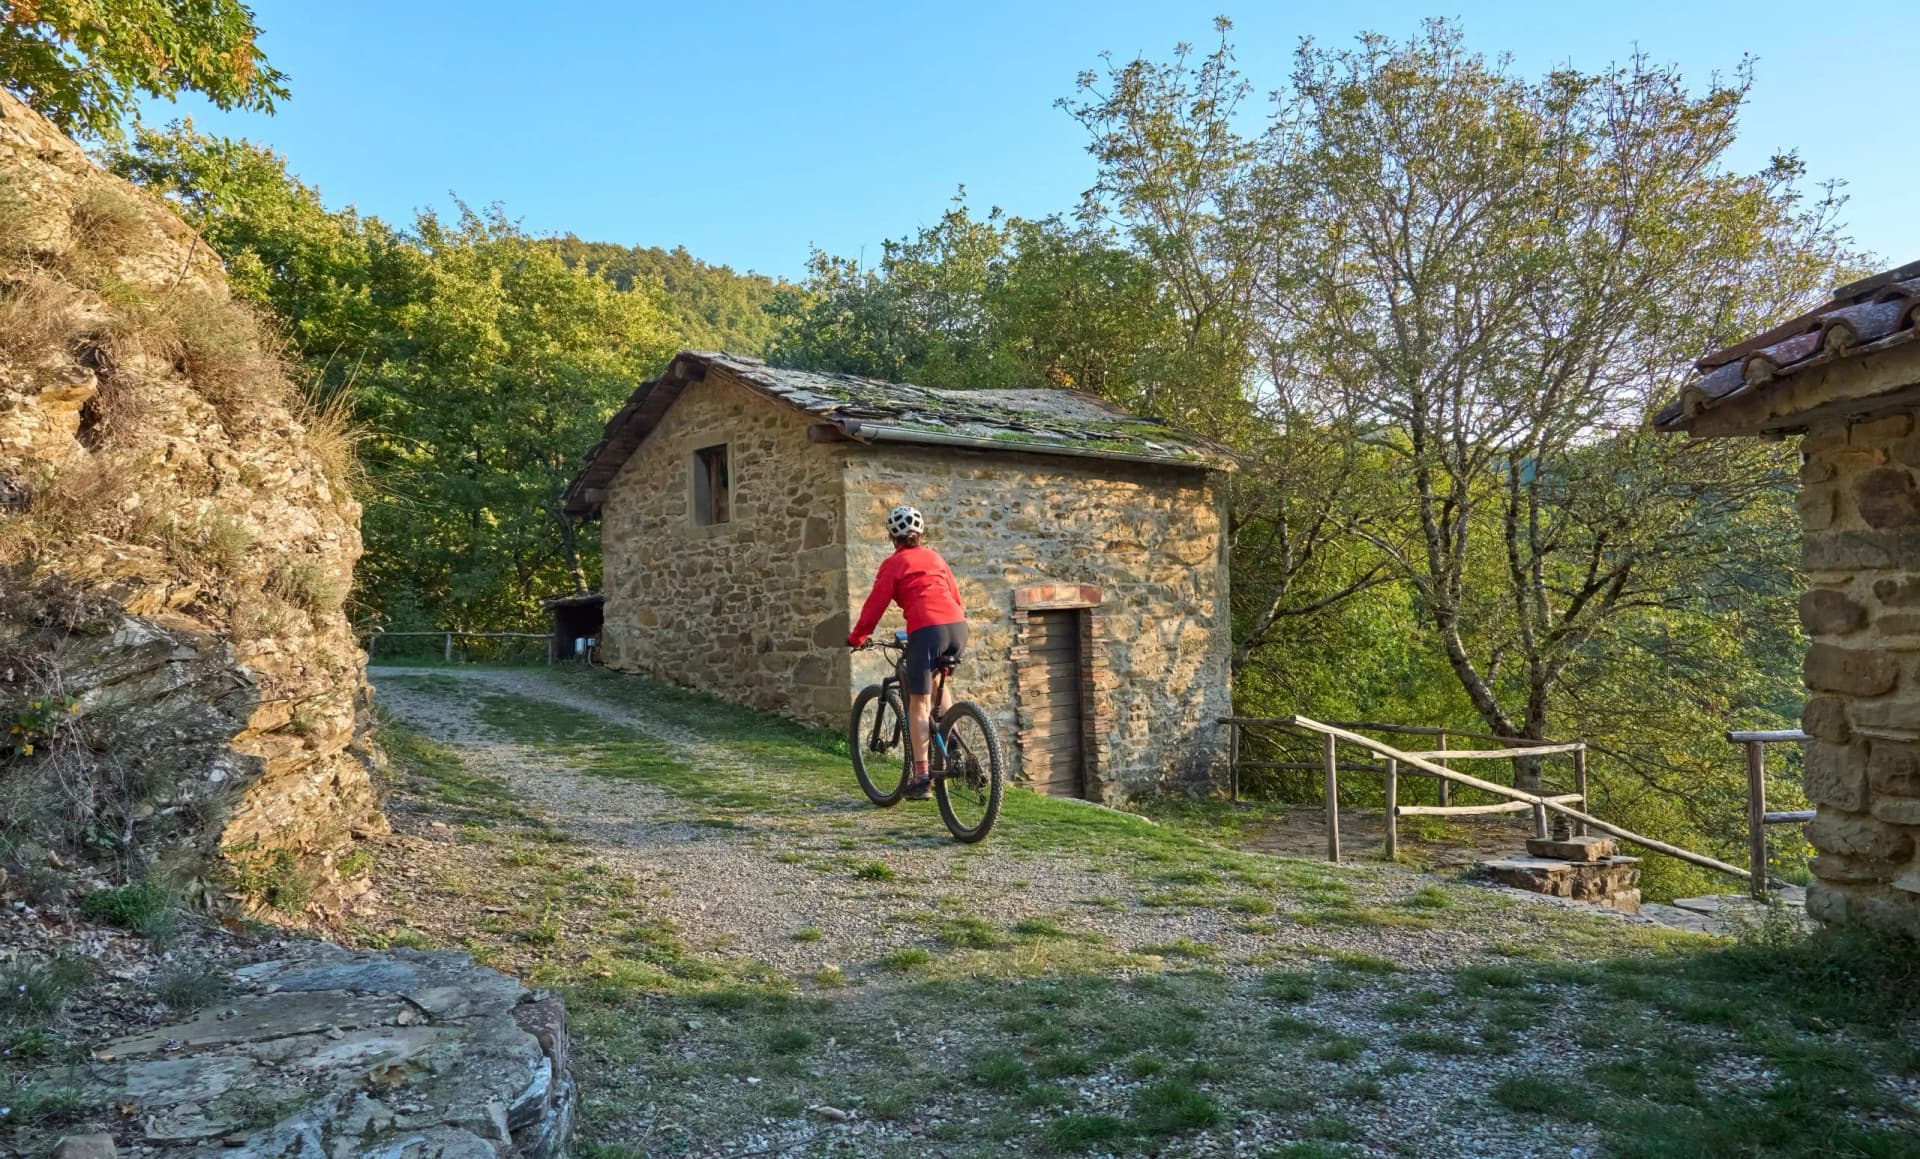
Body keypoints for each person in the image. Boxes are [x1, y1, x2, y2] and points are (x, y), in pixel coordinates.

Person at [847, 504, 968, 799]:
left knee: (919, 703)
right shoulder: (936, 558)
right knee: (939, 680)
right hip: (957, 627)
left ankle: (922, 777)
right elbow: (955, 596)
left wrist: (858, 636)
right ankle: (952, 743)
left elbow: (875, 605)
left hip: (927, 630)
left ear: (892, 536)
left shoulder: (894, 564)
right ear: (921, 532)